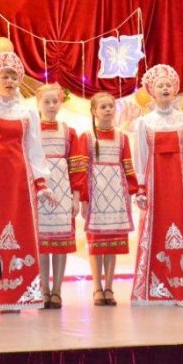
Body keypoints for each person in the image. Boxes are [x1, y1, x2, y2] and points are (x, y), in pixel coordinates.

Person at [0, 52, 55, 312]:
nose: (9, 81)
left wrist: (41, 182)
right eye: (4, 76)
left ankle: (16, 295)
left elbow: (34, 148)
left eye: (13, 77)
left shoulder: (27, 112)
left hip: (21, 180)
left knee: (19, 231)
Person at [131, 64, 183, 307]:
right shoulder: (144, 123)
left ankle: (181, 287)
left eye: (169, 85)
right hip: (156, 184)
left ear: (175, 90)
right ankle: (153, 288)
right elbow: (140, 157)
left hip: (179, 184)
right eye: (160, 85)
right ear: (151, 91)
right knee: (155, 228)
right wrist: (140, 188)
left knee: (181, 227)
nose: (165, 88)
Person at [72, 92, 139, 306]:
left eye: (111, 106)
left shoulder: (122, 138)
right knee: (96, 244)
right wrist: (84, 198)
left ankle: (109, 287)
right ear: (94, 111)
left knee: (112, 244)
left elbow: (127, 166)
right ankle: (97, 287)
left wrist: (131, 192)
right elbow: (82, 169)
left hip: (116, 196)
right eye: (103, 107)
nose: (108, 110)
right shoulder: (87, 137)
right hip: (96, 196)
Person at [34, 84, 82, 310]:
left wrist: (76, 197)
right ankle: (44, 290)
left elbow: (76, 166)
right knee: (43, 243)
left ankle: (57, 291)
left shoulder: (68, 131)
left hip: (63, 189)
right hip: (40, 190)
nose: (51, 106)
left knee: (60, 243)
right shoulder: (32, 129)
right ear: (38, 104)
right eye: (47, 102)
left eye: (55, 101)